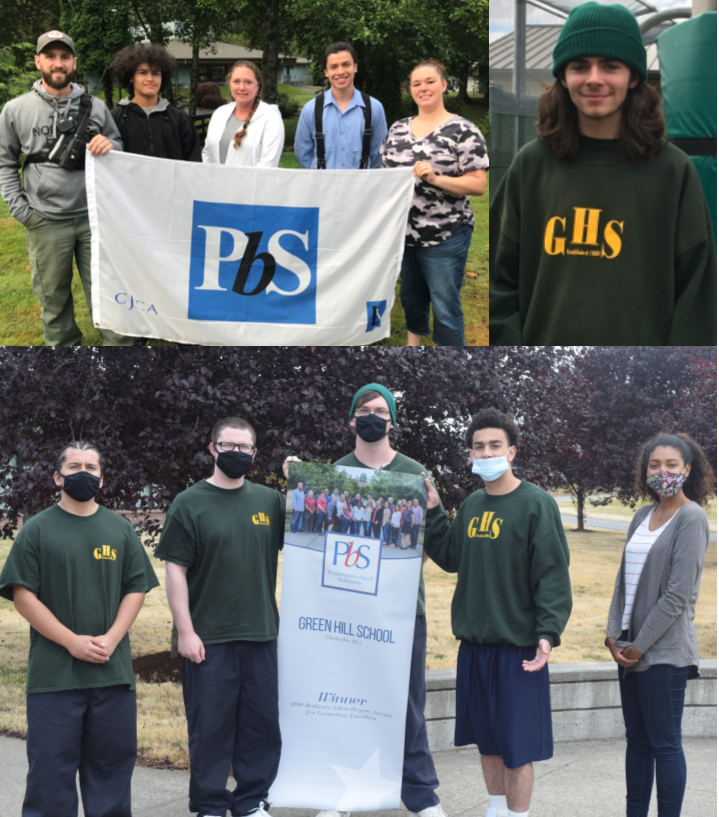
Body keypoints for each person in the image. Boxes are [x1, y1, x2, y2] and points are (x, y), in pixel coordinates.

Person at [489, 2, 716, 345]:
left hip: (638, 381)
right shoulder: (531, 165)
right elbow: (498, 278)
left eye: (610, 65)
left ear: (633, 76)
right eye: (580, 66)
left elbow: (696, 298)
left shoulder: (673, 171)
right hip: (541, 374)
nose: (594, 79)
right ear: (563, 77)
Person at [286, 383, 448, 817]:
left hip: (399, 613)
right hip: (343, 613)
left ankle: (421, 797)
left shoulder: (415, 474)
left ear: (392, 420)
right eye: (364, 410)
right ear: (352, 420)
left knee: (406, 703)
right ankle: (339, 796)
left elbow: (428, 542)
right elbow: (319, 540)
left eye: (381, 410)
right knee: (343, 701)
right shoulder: (335, 472)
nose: (372, 417)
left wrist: (397, 580)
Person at [422, 407, 573, 817]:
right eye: (478, 446)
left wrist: (548, 633)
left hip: (518, 648)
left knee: (516, 747)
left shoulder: (536, 504)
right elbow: (452, 557)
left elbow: (553, 576)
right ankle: (495, 810)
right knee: (487, 742)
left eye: (494, 445)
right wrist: (435, 510)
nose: (485, 452)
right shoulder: (471, 505)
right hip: (474, 646)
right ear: (470, 454)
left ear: (512, 452)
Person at [0, 440, 159, 817]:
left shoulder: (120, 529)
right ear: (58, 477)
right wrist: (71, 642)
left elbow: (136, 588)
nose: (83, 473)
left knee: (111, 775)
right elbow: (23, 596)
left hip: (112, 675)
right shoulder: (37, 530)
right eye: (74, 467)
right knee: (50, 778)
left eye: (91, 467)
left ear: (101, 479)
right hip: (56, 678)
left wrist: (112, 638)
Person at [155, 417, 285, 817]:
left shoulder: (269, 501)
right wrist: (185, 631)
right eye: (228, 446)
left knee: (260, 727)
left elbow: (310, 542)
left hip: (261, 633)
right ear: (212, 449)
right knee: (210, 728)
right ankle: (210, 804)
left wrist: (299, 482)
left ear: (254, 454)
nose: (236, 453)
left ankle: (251, 801)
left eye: (244, 448)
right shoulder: (189, 503)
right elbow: (175, 568)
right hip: (208, 639)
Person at [0, 31, 133, 347]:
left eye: (64, 57)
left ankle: (119, 358)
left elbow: (117, 143)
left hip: (94, 219)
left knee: (106, 291)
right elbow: (5, 163)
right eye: (50, 56)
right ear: (38, 62)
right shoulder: (15, 110)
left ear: (73, 62)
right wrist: (23, 212)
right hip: (45, 220)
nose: (58, 63)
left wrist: (108, 143)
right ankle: (64, 361)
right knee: (53, 297)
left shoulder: (96, 107)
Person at [606, 433, 714, 817]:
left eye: (671, 465)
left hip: (664, 653)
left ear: (687, 470)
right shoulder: (641, 515)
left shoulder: (692, 517)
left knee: (665, 744)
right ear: (645, 469)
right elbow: (623, 581)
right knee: (637, 742)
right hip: (629, 650)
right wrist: (613, 637)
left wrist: (638, 647)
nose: (662, 471)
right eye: (655, 465)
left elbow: (677, 596)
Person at [380, 59, 488, 347]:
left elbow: (478, 184)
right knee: (411, 297)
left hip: (446, 234)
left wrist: (437, 178)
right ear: (409, 89)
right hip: (403, 235)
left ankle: (451, 358)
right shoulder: (398, 129)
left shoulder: (464, 130)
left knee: (444, 305)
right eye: (417, 83)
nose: (423, 88)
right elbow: (383, 176)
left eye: (430, 81)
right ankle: (412, 348)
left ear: (444, 84)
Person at [294, 42, 387, 170]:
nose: (340, 71)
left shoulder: (374, 108)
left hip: (362, 187)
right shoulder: (311, 109)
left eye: (346, 65)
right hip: (322, 186)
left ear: (355, 67)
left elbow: (378, 155)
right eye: (334, 67)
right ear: (326, 72)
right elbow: (303, 153)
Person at [110, 43, 201, 162]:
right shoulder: (115, 118)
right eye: (143, 72)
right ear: (131, 77)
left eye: (155, 73)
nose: (150, 78)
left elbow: (194, 164)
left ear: (162, 78)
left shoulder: (180, 119)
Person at [202, 60, 284, 167]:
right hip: (215, 182)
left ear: (257, 86)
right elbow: (207, 153)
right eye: (236, 81)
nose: (241, 87)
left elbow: (268, 163)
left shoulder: (270, 117)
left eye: (248, 82)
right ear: (230, 84)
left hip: (251, 183)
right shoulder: (219, 113)